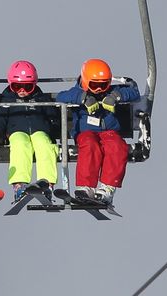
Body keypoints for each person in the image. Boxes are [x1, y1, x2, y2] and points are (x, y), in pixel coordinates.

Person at [56, 58, 141, 205]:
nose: (99, 90)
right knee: (90, 146)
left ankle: (107, 188)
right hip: (86, 132)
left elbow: (134, 93)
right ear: (85, 81)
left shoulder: (112, 92)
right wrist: (83, 98)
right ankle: (86, 187)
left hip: (109, 132)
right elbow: (61, 97)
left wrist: (115, 97)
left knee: (117, 146)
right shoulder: (78, 92)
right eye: (95, 85)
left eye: (103, 85)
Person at [0, 60, 60, 202]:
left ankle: (46, 184)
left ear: (34, 85)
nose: (22, 91)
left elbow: (53, 116)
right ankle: (19, 184)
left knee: (44, 144)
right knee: (20, 144)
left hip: (39, 131)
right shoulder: (7, 100)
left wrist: (52, 128)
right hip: (17, 131)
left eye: (27, 87)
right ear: (10, 84)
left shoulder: (41, 99)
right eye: (17, 86)